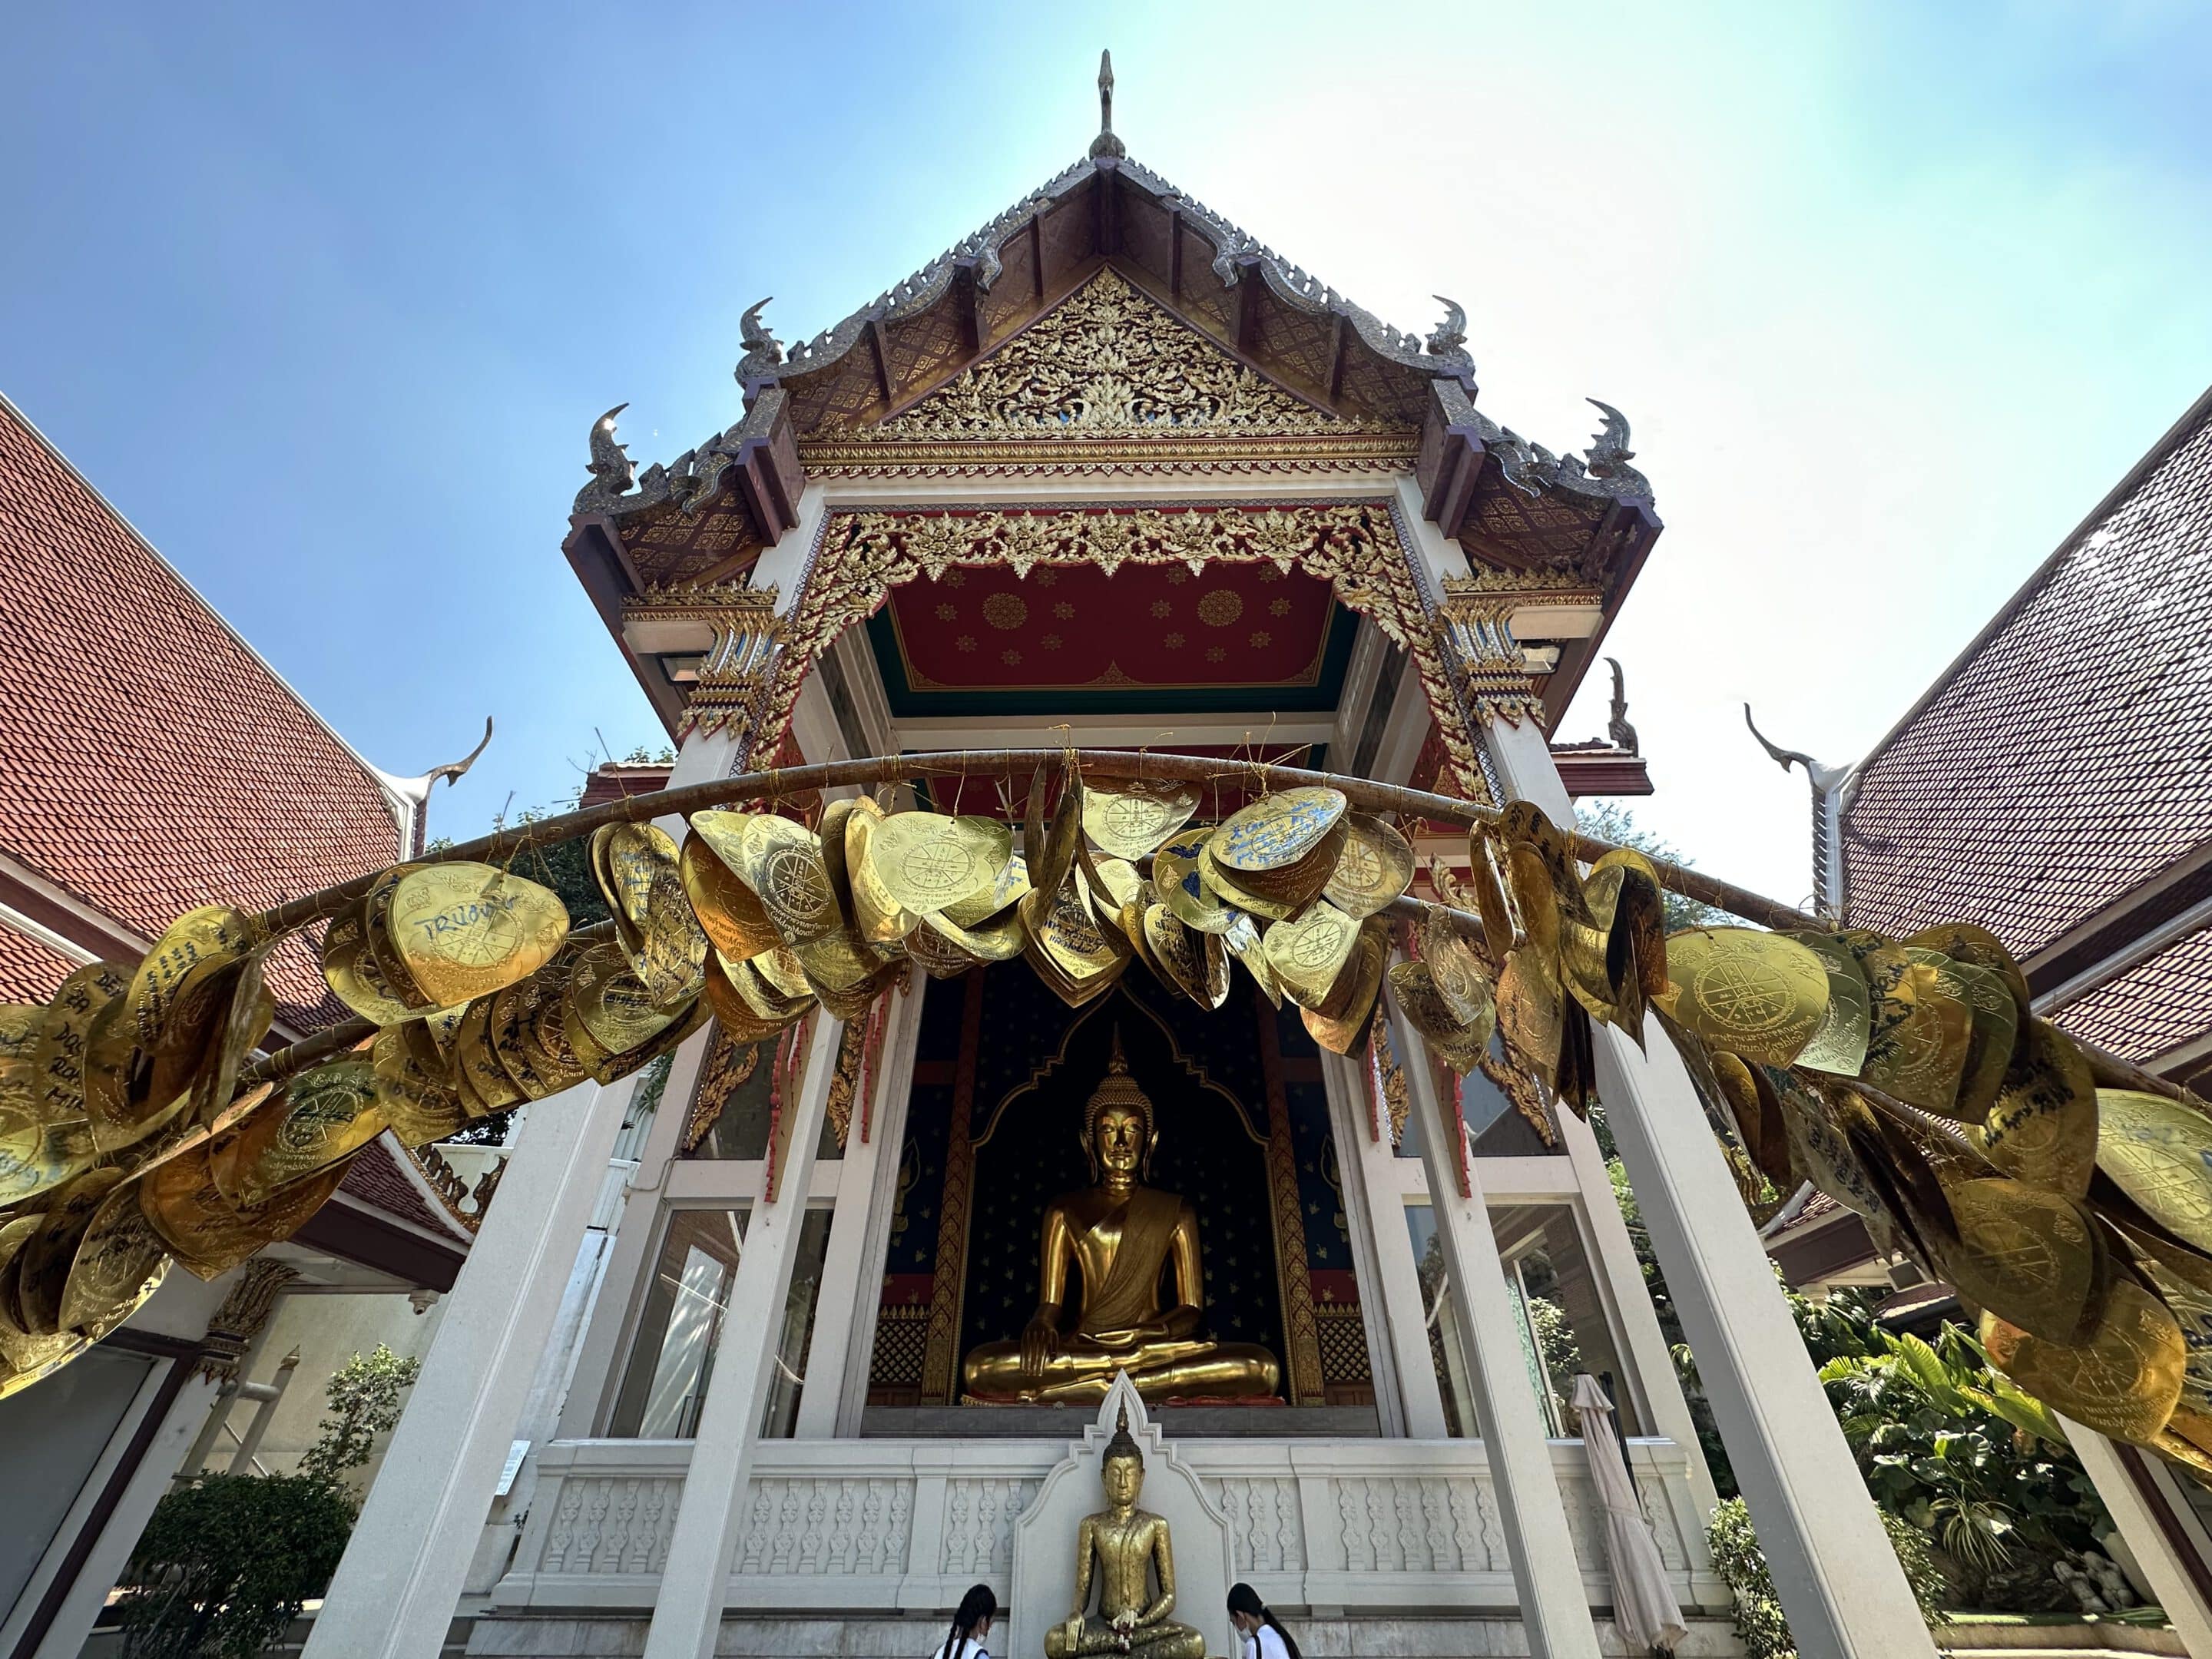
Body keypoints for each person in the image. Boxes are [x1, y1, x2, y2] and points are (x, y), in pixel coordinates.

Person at [1227, 1582, 1300, 1659]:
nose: (1236, 1628)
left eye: (1234, 1622)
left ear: (1241, 1616)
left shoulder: (1254, 1644)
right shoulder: (1278, 1635)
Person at [932, 1584, 998, 1659]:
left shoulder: (940, 1653)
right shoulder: (978, 1655)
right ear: (983, 1622)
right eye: (990, 1623)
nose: (989, 1628)